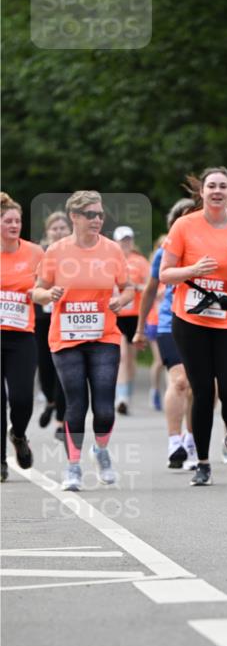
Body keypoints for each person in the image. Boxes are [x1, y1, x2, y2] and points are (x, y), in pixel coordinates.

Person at [160, 167, 227, 486]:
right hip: (190, 319)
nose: (217, 191)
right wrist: (193, 268)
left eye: (222, 186)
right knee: (202, 391)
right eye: (211, 186)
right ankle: (202, 462)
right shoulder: (184, 226)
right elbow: (165, 274)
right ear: (201, 193)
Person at [32, 191, 134, 491]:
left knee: (104, 408)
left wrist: (122, 301)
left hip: (104, 335)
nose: (97, 220)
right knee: (76, 404)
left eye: (100, 214)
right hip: (66, 337)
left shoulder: (113, 250)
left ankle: (100, 451)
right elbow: (36, 290)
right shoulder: (56, 251)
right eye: (91, 214)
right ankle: (73, 467)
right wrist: (48, 295)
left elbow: (127, 288)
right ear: (74, 217)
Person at [133, 200, 197, 468]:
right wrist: (139, 330)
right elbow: (149, 291)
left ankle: (192, 441)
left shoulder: (209, 250)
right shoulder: (165, 253)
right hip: (170, 322)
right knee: (180, 381)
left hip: (204, 324)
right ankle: (174, 442)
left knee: (201, 388)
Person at [0, 192, 42, 482]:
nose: (15, 225)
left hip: (22, 337)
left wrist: (41, 292)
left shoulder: (35, 253)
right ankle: (1, 461)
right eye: (8, 221)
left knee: (22, 398)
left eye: (18, 220)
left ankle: (19, 434)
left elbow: (47, 282)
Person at [36, 211, 69, 439]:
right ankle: (49, 400)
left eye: (62, 228)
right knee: (45, 367)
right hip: (42, 318)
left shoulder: (75, 254)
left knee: (64, 369)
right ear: (47, 232)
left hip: (66, 318)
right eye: (54, 228)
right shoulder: (38, 254)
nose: (58, 232)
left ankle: (60, 420)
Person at [113, 226, 151, 415]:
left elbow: (151, 285)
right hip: (117, 314)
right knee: (122, 356)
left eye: (128, 240)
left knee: (131, 358)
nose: (126, 243)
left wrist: (137, 287)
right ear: (116, 243)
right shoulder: (111, 261)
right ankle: (121, 397)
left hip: (135, 314)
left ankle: (127, 392)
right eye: (122, 240)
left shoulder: (141, 262)